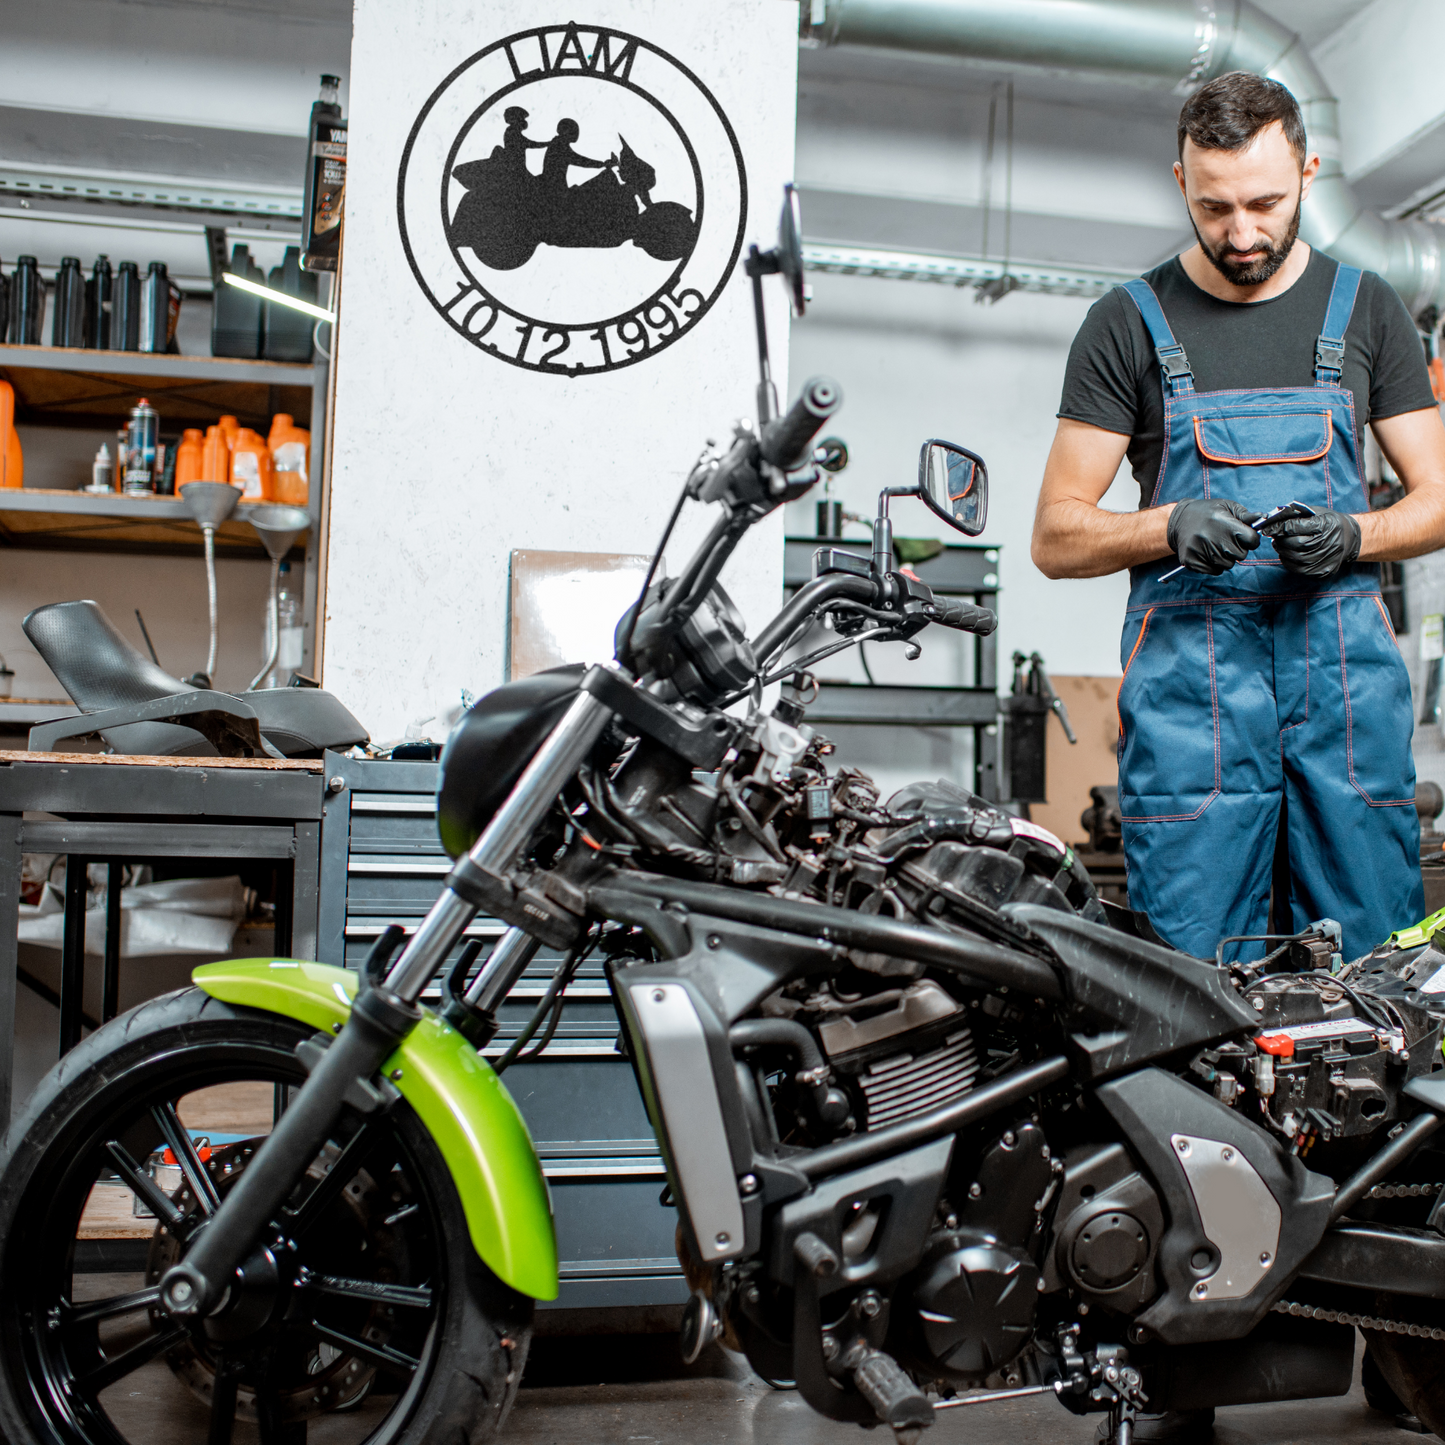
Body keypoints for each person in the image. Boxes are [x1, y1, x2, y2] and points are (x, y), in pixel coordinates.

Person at [1033, 71, 1445, 973]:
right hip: (1194, 707)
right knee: (1191, 976)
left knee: (1376, 973)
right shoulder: (1127, 325)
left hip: (1340, 694)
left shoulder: (1366, 310)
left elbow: (1438, 498)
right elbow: (1055, 535)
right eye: (1215, 207)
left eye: (1265, 201)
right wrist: (1166, 524)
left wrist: (1355, 536)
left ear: (1308, 169)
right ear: (1180, 181)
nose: (1243, 232)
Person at [541, 118, 616, 192]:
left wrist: (602, 164)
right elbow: (581, 161)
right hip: (557, 192)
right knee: (605, 177)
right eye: (573, 131)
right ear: (566, 131)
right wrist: (602, 164)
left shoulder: (558, 144)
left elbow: (579, 160)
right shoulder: (559, 146)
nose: (576, 134)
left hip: (557, 190)